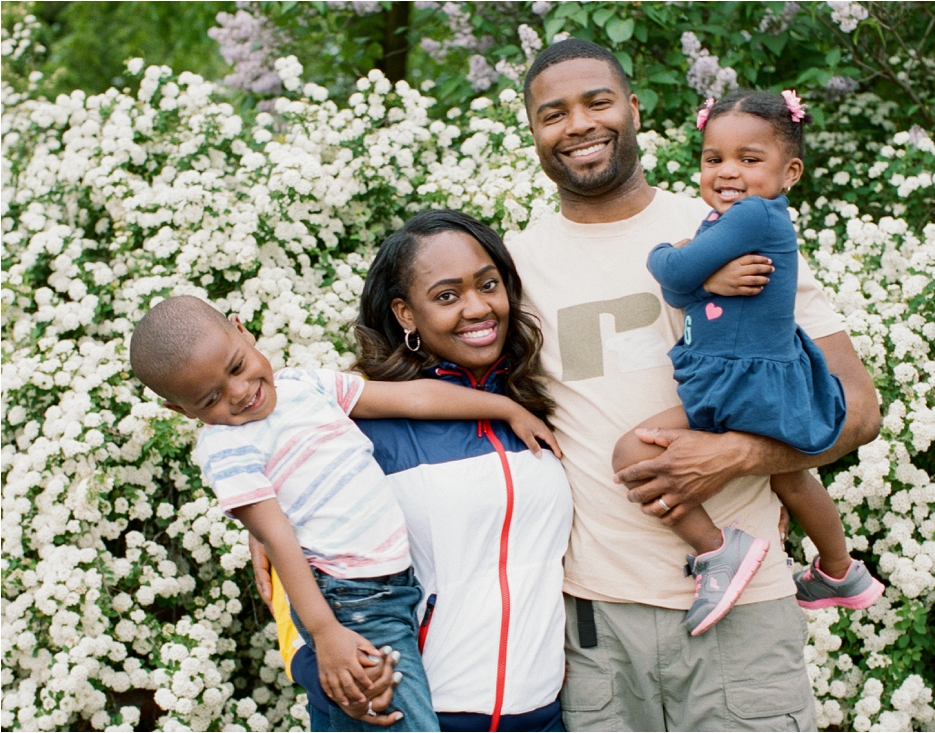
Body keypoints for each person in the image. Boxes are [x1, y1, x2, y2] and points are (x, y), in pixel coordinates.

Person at [506, 39, 882, 730]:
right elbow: (426, 386)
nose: (579, 124)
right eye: (553, 113)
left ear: (634, 109)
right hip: (594, 620)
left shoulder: (728, 223)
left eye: (598, 101)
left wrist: (736, 456)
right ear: (532, 131)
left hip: (744, 618)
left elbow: (857, 409)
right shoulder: (515, 266)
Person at [129, 294, 560, 732]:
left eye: (237, 367)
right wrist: (325, 633)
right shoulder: (226, 448)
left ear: (242, 330)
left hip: (392, 591)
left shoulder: (305, 386)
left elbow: (413, 399)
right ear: (180, 410)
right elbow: (278, 540)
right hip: (349, 602)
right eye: (211, 398)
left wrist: (506, 408)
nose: (240, 393)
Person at [254, 210, 574, 732]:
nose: (478, 308)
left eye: (488, 285)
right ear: (405, 313)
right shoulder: (350, 432)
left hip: (538, 714)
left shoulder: (540, 400)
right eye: (447, 296)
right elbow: (291, 574)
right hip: (412, 714)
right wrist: (331, 679)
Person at [613, 90, 885, 637]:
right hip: (753, 376)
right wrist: (704, 279)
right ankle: (840, 570)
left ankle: (720, 551)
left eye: (749, 159)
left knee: (631, 450)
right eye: (713, 159)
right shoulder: (733, 222)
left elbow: (670, 270)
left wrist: (671, 258)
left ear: (791, 172)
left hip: (738, 380)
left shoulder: (753, 216)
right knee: (790, 478)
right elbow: (686, 294)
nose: (727, 171)